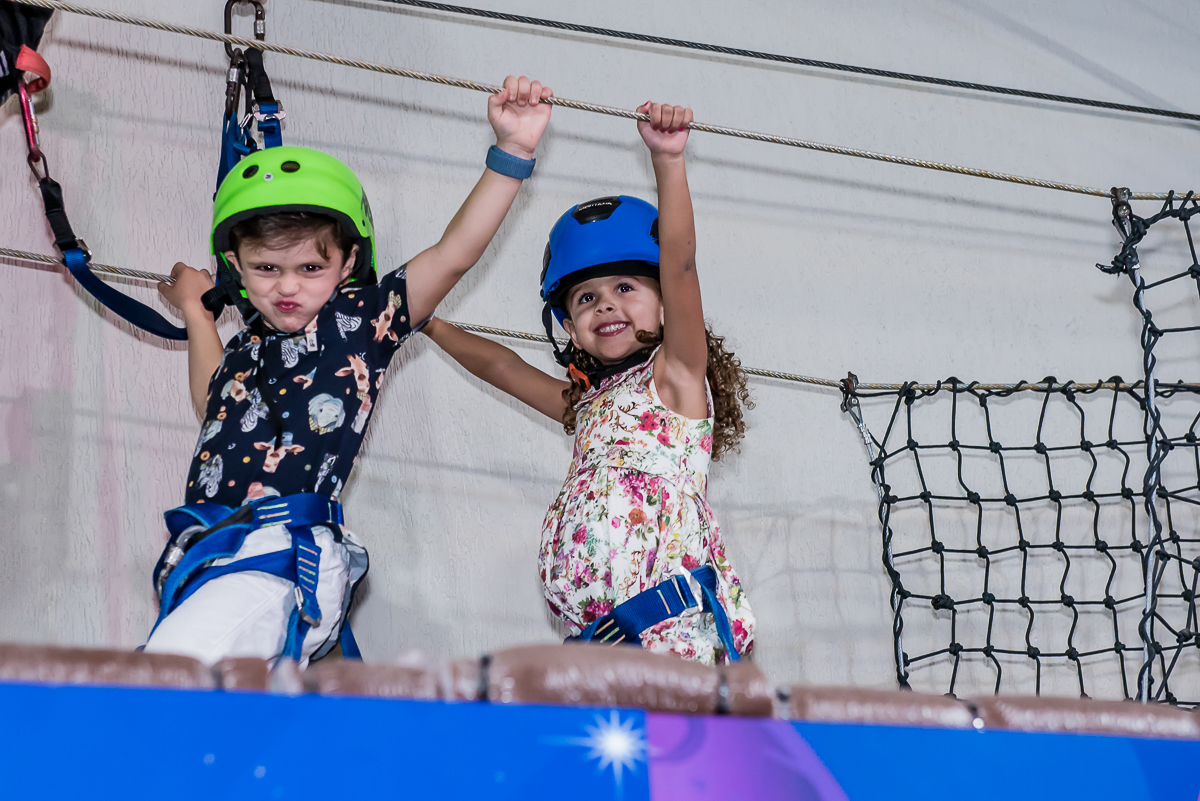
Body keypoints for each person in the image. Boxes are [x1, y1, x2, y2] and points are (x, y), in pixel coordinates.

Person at [144, 75, 553, 667]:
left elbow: (454, 253)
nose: (287, 286)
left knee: (164, 677)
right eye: (265, 268)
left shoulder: (361, 321)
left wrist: (511, 152)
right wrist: (194, 311)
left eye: (311, 266)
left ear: (347, 262)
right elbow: (215, 407)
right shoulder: (247, 344)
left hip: (278, 549)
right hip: (209, 550)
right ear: (234, 264)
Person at [424, 101, 755, 665]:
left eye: (626, 287)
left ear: (664, 309)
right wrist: (423, 320)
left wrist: (667, 160)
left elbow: (679, 266)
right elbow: (501, 368)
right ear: (570, 329)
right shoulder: (585, 405)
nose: (605, 303)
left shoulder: (675, 379)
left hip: (673, 638)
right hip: (603, 645)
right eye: (585, 298)